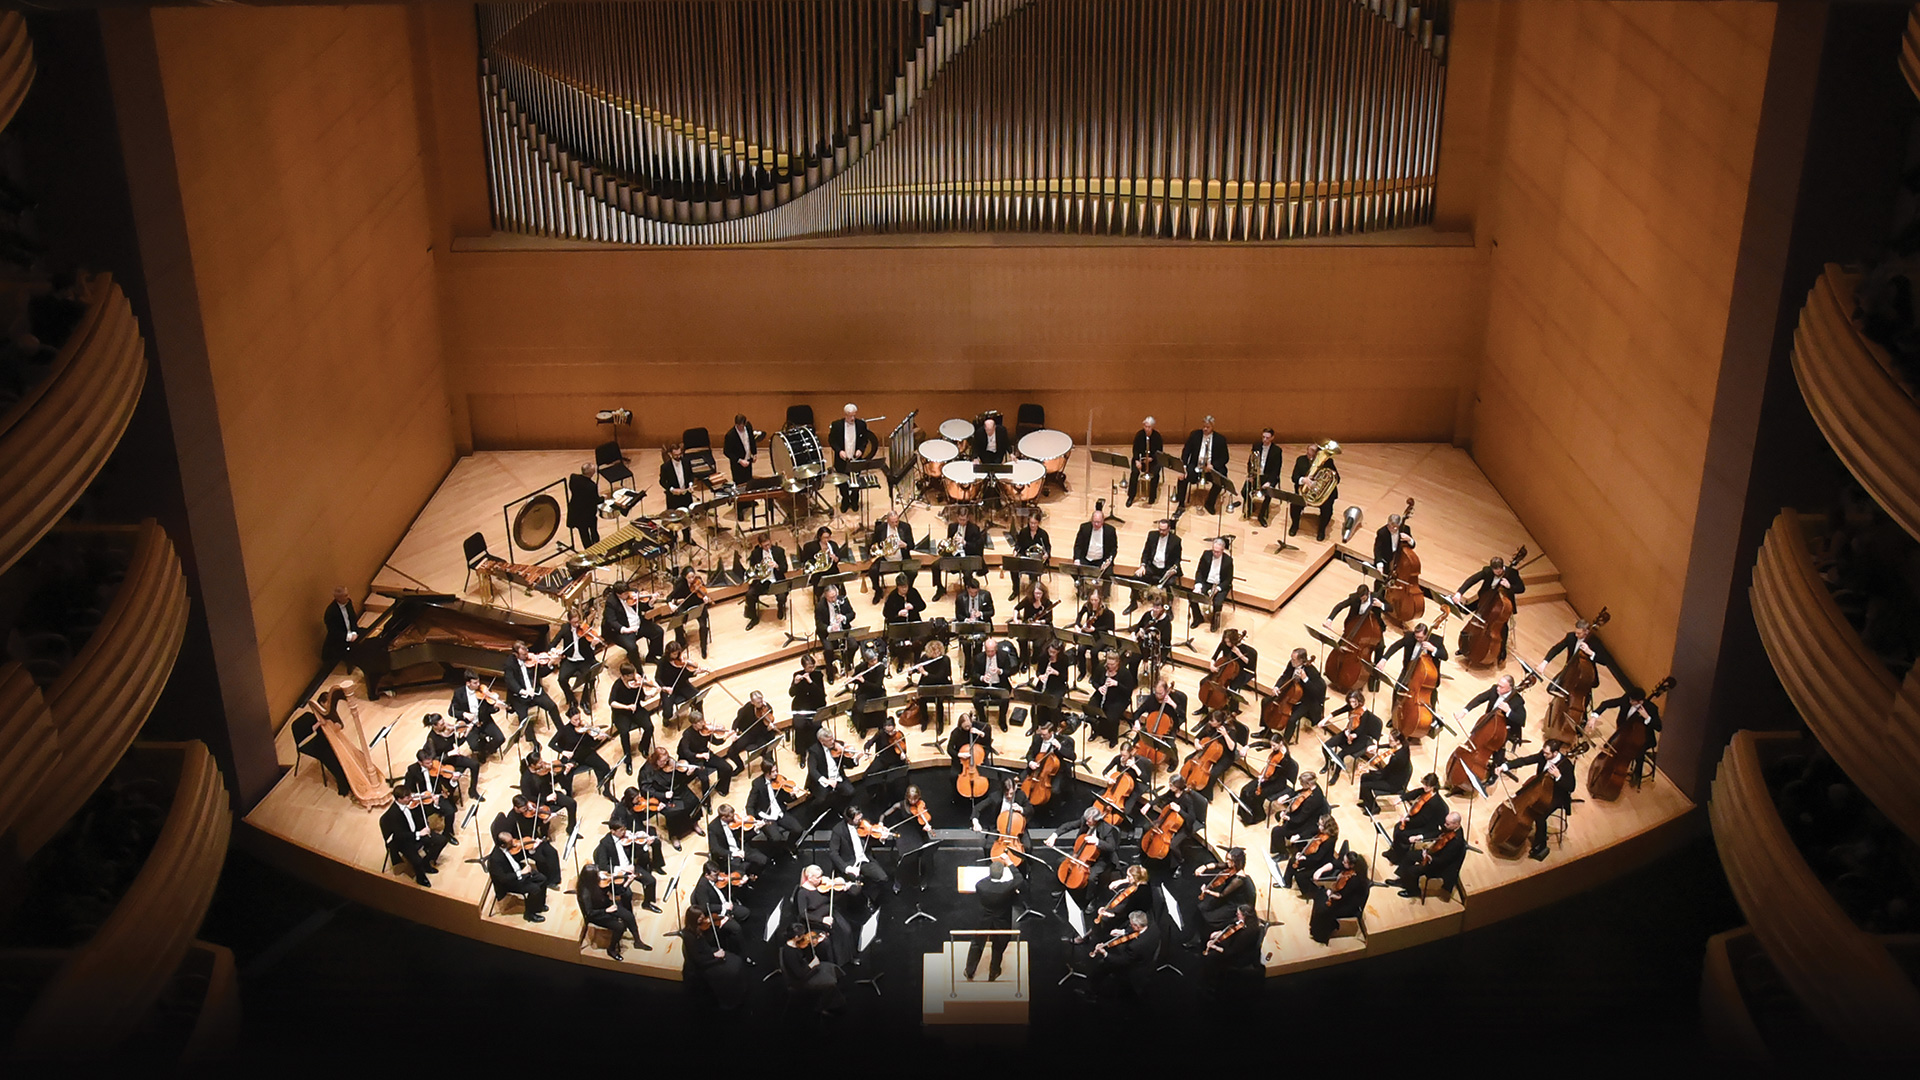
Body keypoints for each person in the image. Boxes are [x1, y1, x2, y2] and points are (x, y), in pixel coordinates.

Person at [1495, 739, 1577, 860]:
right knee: (1520, 796)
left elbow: (1571, 787)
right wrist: (1505, 766)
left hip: (1555, 795)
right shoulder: (1544, 755)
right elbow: (1526, 760)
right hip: (1539, 786)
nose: (1543, 755)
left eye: (1547, 753)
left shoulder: (1566, 766)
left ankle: (1541, 844)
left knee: (1540, 816)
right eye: (1543, 752)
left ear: (1555, 753)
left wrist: (1558, 776)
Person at [965, 858, 1020, 981]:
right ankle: (993, 972)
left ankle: (969, 971)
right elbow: (1019, 879)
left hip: (984, 918)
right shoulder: (1006, 888)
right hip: (1001, 920)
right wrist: (1010, 862)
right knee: (998, 945)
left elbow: (984, 882)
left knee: (977, 943)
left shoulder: (980, 885)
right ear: (1001, 875)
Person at [1594, 686, 1663, 784]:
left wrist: (1647, 717)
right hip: (1624, 731)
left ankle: (1637, 774)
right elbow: (1606, 704)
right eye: (1630, 699)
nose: (1630, 701)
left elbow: (1658, 727)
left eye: (1633, 701)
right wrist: (1594, 716)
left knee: (1638, 752)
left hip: (1643, 737)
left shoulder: (1651, 709)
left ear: (1640, 701)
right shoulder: (1627, 699)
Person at [1461, 674, 1528, 771]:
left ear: (1510, 688)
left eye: (1501, 687)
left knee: (1497, 748)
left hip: (1504, 728)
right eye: (1498, 685)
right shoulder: (1494, 689)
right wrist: (1465, 711)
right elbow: (1480, 698)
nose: (1498, 688)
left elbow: (1521, 720)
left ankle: (1496, 769)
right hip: (1489, 720)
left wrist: (1509, 711)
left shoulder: (1517, 701)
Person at [379, 788, 446, 886]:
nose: (411, 798)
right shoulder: (393, 815)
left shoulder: (409, 805)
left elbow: (424, 814)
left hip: (415, 832)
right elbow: (400, 835)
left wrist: (435, 804)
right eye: (407, 797)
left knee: (441, 840)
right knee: (417, 861)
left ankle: (426, 863)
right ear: (399, 799)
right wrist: (419, 834)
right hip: (403, 841)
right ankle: (420, 878)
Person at [1392, 811, 1466, 899]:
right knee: (1409, 855)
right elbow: (1437, 832)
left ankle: (1414, 891)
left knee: (1412, 870)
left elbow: (1444, 860)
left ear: (1456, 824)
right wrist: (1420, 837)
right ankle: (1403, 880)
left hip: (1439, 864)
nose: (1445, 825)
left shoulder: (1457, 842)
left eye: (1447, 824)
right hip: (1433, 853)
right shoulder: (1449, 828)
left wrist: (1429, 858)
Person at [593, 819, 663, 911]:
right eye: (621, 830)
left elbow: (637, 853)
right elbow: (603, 866)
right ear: (612, 831)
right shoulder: (604, 844)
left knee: (651, 881)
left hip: (631, 867)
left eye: (624, 829)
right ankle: (627, 912)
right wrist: (623, 868)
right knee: (627, 894)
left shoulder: (627, 839)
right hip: (619, 872)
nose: (624, 832)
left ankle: (647, 903)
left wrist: (645, 845)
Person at [745, 758, 808, 857]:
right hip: (767, 816)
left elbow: (787, 799)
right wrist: (753, 820)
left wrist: (792, 794)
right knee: (776, 838)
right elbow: (750, 805)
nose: (776, 773)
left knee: (798, 829)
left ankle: (790, 845)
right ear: (766, 772)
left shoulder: (780, 779)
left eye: (776, 770)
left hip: (780, 813)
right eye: (773, 771)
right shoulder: (757, 784)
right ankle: (776, 853)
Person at [782, 921, 845, 1015]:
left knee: (831, 967)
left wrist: (816, 942)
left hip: (806, 969)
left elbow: (804, 955)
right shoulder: (789, 953)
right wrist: (812, 965)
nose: (804, 936)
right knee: (830, 983)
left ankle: (833, 993)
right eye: (802, 935)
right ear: (796, 937)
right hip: (801, 980)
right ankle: (822, 1006)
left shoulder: (796, 944)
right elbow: (799, 974)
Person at [577, 867, 641, 960]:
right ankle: (611, 949)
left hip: (607, 906)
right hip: (597, 915)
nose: (600, 875)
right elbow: (590, 913)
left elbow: (616, 892)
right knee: (620, 926)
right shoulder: (585, 894)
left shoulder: (599, 883)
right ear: (591, 877)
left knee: (629, 916)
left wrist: (627, 882)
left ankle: (638, 942)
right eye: (597, 874)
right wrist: (606, 911)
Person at [1192, 847, 1256, 937]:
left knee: (1210, 918)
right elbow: (1217, 865)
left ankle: (1205, 937)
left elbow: (1221, 895)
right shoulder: (1231, 866)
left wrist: (1207, 891)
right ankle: (1197, 934)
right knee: (1202, 907)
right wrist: (1204, 867)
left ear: (1236, 862)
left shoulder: (1239, 879)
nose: (1227, 862)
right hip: (1227, 897)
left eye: (1230, 860)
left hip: (1233, 904)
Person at [487, 831, 550, 922]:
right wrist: (521, 873)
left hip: (519, 871)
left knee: (543, 879)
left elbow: (518, 857)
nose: (513, 843)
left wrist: (532, 848)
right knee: (535, 889)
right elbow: (503, 878)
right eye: (510, 842)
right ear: (503, 845)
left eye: (512, 840)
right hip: (511, 881)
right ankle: (529, 914)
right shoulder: (495, 859)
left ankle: (539, 905)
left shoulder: (509, 848)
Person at [1309, 851, 1370, 944]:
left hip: (1348, 905)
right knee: (1319, 895)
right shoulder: (1349, 868)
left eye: (1344, 862)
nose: (1342, 863)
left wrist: (1330, 895)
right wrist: (1320, 870)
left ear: (1351, 865)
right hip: (1342, 897)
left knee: (1323, 909)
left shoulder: (1354, 881)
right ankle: (1316, 926)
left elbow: (1343, 897)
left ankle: (1321, 935)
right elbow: (1335, 864)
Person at [829, 806, 893, 894]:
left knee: (883, 878)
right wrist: (847, 868)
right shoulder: (838, 830)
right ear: (849, 820)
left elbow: (871, 841)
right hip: (850, 862)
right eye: (857, 819)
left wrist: (881, 838)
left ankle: (871, 898)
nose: (861, 821)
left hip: (865, 859)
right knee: (855, 890)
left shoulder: (865, 823)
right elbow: (833, 853)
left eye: (861, 817)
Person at [551, 708, 614, 797]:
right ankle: (568, 794)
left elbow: (591, 744)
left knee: (605, 767)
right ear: (570, 719)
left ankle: (606, 790)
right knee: (563, 773)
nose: (578, 722)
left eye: (579, 718)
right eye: (575, 720)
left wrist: (599, 739)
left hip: (586, 754)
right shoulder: (564, 730)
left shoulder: (584, 729)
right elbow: (551, 744)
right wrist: (563, 752)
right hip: (571, 756)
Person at [1320, 690, 1383, 777]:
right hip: (1349, 731)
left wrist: (1353, 735)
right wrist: (1324, 720)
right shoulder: (1351, 707)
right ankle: (1328, 764)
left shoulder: (1364, 714)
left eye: (1354, 702)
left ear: (1359, 701)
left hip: (1360, 738)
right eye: (1350, 701)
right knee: (1326, 746)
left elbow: (1361, 729)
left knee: (1341, 754)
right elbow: (1337, 712)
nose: (1352, 704)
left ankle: (1336, 774)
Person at [448, 670, 507, 764]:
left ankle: (485, 750)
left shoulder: (484, 691)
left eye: (478, 681)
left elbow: (489, 709)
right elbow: (451, 711)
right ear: (468, 683)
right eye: (475, 683)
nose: (478, 684)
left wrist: (495, 707)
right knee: (474, 746)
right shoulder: (459, 693)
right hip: (470, 725)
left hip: (485, 721)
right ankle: (481, 749)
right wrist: (464, 714)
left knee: (500, 738)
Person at [602, 580, 663, 668]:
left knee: (658, 632)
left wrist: (651, 602)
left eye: (628, 592)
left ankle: (652, 656)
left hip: (638, 623)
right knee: (632, 648)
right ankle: (638, 671)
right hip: (623, 630)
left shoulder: (633, 593)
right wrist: (626, 630)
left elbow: (643, 607)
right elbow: (611, 621)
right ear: (619, 594)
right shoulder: (611, 603)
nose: (628, 595)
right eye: (625, 594)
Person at [607, 662, 657, 769]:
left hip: (636, 709)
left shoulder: (637, 683)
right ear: (624, 676)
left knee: (649, 727)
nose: (634, 676)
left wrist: (652, 693)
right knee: (624, 732)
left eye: (634, 673)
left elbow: (643, 698)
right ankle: (627, 758)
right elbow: (611, 702)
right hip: (621, 713)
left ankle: (643, 746)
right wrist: (627, 706)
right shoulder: (618, 685)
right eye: (631, 675)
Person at [1176, 416, 1230, 513]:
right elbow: (1186, 451)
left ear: (1212, 427)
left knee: (1221, 479)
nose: (1205, 429)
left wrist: (1213, 465)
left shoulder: (1220, 439)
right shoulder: (1195, 435)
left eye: (1208, 427)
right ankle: (1181, 503)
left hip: (1211, 468)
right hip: (1196, 466)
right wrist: (1183, 467)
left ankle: (1210, 503)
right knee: (1182, 477)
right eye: (1204, 426)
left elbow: (1225, 457)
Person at [1272, 647, 1327, 742]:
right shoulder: (1292, 664)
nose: (1291, 660)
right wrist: (1277, 686)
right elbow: (1285, 676)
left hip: (1307, 699)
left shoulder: (1311, 672)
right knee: (1267, 701)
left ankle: (1284, 742)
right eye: (1291, 658)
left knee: (1292, 719)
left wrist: (1305, 679)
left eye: (1294, 659)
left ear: (1301, 660)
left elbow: (1316, 692)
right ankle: (1266, 729)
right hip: (1291, 693)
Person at [828, 403, 876, 512]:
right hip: (842, 459)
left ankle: (854, 500)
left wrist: (860, 450)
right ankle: (845, 500)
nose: (852, 418)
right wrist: (839, 451)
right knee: (842, 482)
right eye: (850, 416)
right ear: (845, 415)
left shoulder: (861, 424)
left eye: (854, 415)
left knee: (856, 481)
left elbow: (864, 440)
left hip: (856, 459)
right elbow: (832, 440)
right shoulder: (836, 425)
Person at [1288, 443, 1340, 541]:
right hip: (1304, 492)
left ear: (1318, 453)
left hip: (1320, 495)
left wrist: (1319, 483)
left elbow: (1337, 479)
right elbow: (1294, 477)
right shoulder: (1301, 460)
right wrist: (1304, 480)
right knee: (1294, 504)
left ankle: (1321, 529)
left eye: (1311, 453)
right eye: (1308, 452)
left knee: (1327, 508)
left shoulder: (1328, 462)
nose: (1309, 455)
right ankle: (1294, 525)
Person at [1238, 739, 1297, 825]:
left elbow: (1277, 775)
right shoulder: (1276, 749)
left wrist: (1265, 779)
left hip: (1277, 782)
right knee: (1246, 790)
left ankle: (1260, 815)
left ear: (1281, 743)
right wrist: (1248, 747)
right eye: (1271, 745)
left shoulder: (1286, 759)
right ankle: (1245, 815)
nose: (1272, 748)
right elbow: (1261, 743)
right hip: (1267, 776)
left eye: (1274, 746)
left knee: (1257, 795)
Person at [930, 509, 986, 599]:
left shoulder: (974, 529)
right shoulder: (952, 527)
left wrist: (965, 543)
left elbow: (977, 547)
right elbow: (949, 542)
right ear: (957, 518)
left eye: (964, 520)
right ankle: (940, 588)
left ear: (968, 518)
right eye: (960, 519)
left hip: (968, 556)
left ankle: (967, 593)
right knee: (935, 566)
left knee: (967, 574)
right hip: (954, 555)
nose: (962, 522)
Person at [1131, 518, 1183, 613]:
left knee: (1171, 584)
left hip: (1166, 570)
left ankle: (1169, 607)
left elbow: (1177, 559)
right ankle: (1134, 601)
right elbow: (1146, 552)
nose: (1161, 532)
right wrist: (1142, 565)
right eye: (1160, 529)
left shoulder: (1176, 540)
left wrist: (1173, 569)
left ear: (1169, 529)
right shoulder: (1152, 535)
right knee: (1135, 577)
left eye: (1163, 530)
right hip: (1152, 567)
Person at [552, 609, 600, 711]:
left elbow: (590, 652)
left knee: (591, 678)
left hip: (584, 660)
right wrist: (554, 651)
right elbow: (553, 643)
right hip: (570, 660)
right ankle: (572, 700)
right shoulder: (565, 629)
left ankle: (585, 701)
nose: (577, 624)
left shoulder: (585, 629)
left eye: (578, 621)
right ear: (569, 621)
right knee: (561, 679)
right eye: (574, 622)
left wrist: (592, 645)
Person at [1356, 728, 1412, 815]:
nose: (1389, 742)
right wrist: (1377, 747)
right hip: (1393, 775)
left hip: (1393, 783)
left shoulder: (1397, 758)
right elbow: (1390, 746)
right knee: (1364, 777)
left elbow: (1384, 773)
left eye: (1391, 740)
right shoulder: (1404, 745)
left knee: (1366, 785)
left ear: (1397, 741)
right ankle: (1366, 802)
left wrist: (1369, 771)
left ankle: (1374, 809)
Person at [1084, 652, 1135, 748]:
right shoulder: (1101, 668)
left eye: (1112, 664)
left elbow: (1128, 691)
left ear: (1118, 662)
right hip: (1102, 695)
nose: (1110, 666)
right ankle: (1096, 730)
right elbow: (1094, 681)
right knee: (1090, 709)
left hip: (1119, 699)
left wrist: (1117, 684)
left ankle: (1113, 738)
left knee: (1112, 717)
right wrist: (1099, 688)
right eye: (1108, 664)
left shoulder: (1124, 673)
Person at [742, 532, 790, 630]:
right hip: (762, 581)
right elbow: (752, 569)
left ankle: (780, 609)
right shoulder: (755, 554)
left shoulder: (779, 551)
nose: (767, 547)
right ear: (760, 545)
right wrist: (760, 571)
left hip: (776, 579)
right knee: (749, 595)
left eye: (768, 544)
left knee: (781, 596)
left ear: (770, 541)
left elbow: (785, 568)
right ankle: (753, 618)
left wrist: (777, 566)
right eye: (764, 546)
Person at [709, 803, 769, 879]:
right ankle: (747, 879)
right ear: (724, 817)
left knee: (763, 860)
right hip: (730, 855)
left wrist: (756, 829)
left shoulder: (735, 822)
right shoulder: (713, 828)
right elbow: (715, 848)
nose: (734, 818)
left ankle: (753, 875)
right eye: (731, 817)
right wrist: (733, 853)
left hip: (741, 847)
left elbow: (744, 837)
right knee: (741, 873)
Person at [970, 636, 1017, 731]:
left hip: (1000, 683)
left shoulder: (1003, 656)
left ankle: (1002, 720)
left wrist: (1000, 671)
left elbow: (1010, 671)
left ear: (996, 649)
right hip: (983, 685)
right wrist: (982, 678)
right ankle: (982, 719)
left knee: (1005, 698)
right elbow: (973, 674)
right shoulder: (979, 658)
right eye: (988, 651)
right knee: (976, 699)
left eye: (992, 651)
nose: (990, 654)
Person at [1283, 815, 1339, 893]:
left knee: (1300, 876)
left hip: (1321, 862)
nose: (1318, 827)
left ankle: (1312, 892)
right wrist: (1299, 836)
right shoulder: (1322, 830)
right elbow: (1311, 831)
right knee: (1293, 860)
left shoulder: (1330, 840)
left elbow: (1318, 857)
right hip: (1315, 857)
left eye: (1320, 825)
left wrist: (1305, 858)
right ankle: (1286, 882)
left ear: (1327, 827)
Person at [866, 509, 915, 598]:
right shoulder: (880, 529)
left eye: (896, 521)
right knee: (872, 571)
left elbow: (912, 545)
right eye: (892, 522)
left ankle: (908, 589)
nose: (895, 524)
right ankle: (878, 590)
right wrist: (882, 548)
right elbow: (874, 544)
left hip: (903, 558)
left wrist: (905, 545)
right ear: (887, 521)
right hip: (885, 558)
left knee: (913, 572)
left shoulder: (905, 527)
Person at [1006, 507, 1052, 600]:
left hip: (1037, 560)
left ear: (1039, 523)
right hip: (1025, 557)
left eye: (1035, 523)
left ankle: (1032, 593)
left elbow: (1047, 547)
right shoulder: (1024, 532)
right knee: (1013, 569)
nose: (1033, 525)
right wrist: (1016, 550)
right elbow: (1019, 544)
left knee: (1034, 572)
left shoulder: (1043, 534)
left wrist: (1046, 554)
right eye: (1031, 523)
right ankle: (1015, 590)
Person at [1072, 590, 1117, 682]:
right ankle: (1082, 671)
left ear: (1100, 599)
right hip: (1090, 633)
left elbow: (1109, 627)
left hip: (1102, 636)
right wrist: (1077, 624)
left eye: (1096, 600)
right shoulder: (1087, 606)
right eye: (1091, 600)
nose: (1093, 602)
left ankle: (1094, 674)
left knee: (1094, 651)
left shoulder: (1106, 611)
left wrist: (1095, 629)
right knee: (1081, 649)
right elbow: (1080, 615)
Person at [806, 728, 857, 811]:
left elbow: (849, 763)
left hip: (838, 777)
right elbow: (812, 770)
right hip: (825, 780)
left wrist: (856, 758)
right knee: (821, 800)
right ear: (822, 741)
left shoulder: (839, 745)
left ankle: (841, 809)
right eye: (829, 740)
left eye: (832, 738)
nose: (833, 741)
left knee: (851, 792)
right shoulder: (814, 751)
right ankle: (813, 812)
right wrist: (827, 781)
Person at [1272, 772, 1327, 847]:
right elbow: (1299, 792)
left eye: (1302, 784)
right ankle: (1289, 835)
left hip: (1307, 822)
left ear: (1309, 784)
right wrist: (1286, 796)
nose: (1301, 785)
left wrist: (1288, 818)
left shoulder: (1314, 800)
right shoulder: (1312, 787)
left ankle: (1283, 854)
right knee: (1278, 815)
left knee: (1276, 831)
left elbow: (1301, 818)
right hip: (1302, 814)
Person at [667, 566, 712, 657]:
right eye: (689, 578)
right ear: (684, 577)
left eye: (693, 576)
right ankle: (681, 642)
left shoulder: (698, 581)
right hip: (686, 606)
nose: (692, 580)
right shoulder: (681, 585)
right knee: (678, 622)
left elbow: (703, 593)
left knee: (703, 625)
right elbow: (669, 597)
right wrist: (671, 604)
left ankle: (703, 647)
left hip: (698, 605)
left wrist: (705, 598)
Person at [813, 583, 856, 680]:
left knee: (854, 645)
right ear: (825, 596)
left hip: (843, 629)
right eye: (830, 597)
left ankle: (847, 662)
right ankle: (830, 671)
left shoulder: (843, 600)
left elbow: (852, 614)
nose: (833, 599)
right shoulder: (820, 606)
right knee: (828, 650)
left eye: (835, 596)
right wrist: (830, 628)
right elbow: (819, 624)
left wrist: (844, 617)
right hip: (828, 632)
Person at [1190, 537, 1234, 630]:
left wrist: (1218, 588)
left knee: (1217, 603)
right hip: (1207, 583)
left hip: (1219, 585)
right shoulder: (1206, 554)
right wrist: (1198, 585)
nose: (1215, 553)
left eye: (1217, 552)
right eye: (1214, 551)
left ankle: (1215, 621)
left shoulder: (1228, 560)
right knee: (1193, 597)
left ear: (1222, 550)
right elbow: (1200, 572)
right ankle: (1198, 618)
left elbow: (1228, 579)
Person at [1072, 509, 1119, 596]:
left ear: (1103, 521)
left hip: (1102, 561)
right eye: (1094, 522)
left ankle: (1104, 595)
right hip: (1086, 559)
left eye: (1099, 522)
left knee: (1108, 574)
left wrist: (1109, 561)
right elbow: (1078, 545)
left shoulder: (1110, 530)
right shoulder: (1084, 528)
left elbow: (1114, 549)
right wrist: (1077, 559)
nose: (1096, 524)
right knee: (1074, 570)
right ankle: (1082, 590)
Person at [1244, 428, 1286, 526]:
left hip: (1268, 477)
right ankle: (1251, 507)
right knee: (1244, 491)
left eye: (1267, 438)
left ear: (1272, 438)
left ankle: (1261, 515)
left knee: (1268, 494)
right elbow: (1250, 462)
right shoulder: (1256, 446)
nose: (1265, 440)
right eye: (1263, 437)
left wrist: (1269, 482)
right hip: (1256, 475)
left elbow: (1276, 469)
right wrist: (1250, 475)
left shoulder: (1277, 450)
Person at [659, 442, 695, 541]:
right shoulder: (665, 467)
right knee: (673, 521)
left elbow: (691, 475)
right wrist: (672, 489)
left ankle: (688, 538)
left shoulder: (686, 462)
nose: (678, 457)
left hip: (686, 496)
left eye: (680, 454)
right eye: (676, 455)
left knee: (686, 518)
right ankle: (674, 540)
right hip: (673, 498)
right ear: (670, 454)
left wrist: (690, 485)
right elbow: (662, 481)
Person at [1127, 417, 1165, 506]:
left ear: (1152, 427)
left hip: (1153, 460)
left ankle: (1152, 496)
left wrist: (1152, 458)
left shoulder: (1157, 436)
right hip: (1141, 460)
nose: (1146, 429)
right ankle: (1131, 496)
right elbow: (1135, 449)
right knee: (1134, 472)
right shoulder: (1139, 435)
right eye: (1145, 426)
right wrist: (1137, 461)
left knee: (1155, 472)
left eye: (1148, 427)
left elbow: (1160, 451)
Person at [322, 586, 359, 670]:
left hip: (351, 632)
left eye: (347, 594)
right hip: (339, 639)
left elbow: (353, 619)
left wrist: (354, 632)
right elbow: (333, 631)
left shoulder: (348, 603)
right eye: (345, 596)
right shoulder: (331, 612)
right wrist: (348, 637)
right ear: (338, 598)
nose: (348, 597)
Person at [567, 462, 602, 547]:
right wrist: (603, 498)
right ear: (590, 473)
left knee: (583, 534)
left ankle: (588, 549)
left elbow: (572, 488)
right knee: (593, 530)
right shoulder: (591, 486)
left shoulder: (573, 477)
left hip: (576, 511)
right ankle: (597, 546)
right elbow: (596, 500)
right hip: (588, 514)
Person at [722, 413, 760, 485]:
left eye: (742, 426)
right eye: (738, 426)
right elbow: (726, 451)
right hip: (737, 464)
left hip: (748, 460)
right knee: (740, 484)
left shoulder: (748, 427)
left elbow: (752, 440)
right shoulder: (730, 435)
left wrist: (754, 453)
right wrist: (739, 460)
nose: (740, 428)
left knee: (749, 481)